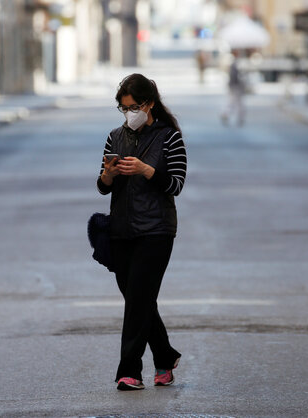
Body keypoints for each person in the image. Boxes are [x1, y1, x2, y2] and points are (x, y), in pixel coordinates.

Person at [97, 73, 187, 391]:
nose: (129, 114)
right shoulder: (115, 137)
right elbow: (102, 187)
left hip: (156, 230)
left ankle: (130, 371)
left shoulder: (169, 137)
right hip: (121, 230)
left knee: (137, 299)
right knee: (140, 299)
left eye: (133, 107)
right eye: (123, 109)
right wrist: (108, 174)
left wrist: (147, 170)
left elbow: (175, 184)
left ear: (148, 104)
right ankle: (164, 357)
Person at [220, 49, 246, 126]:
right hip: (235, 86)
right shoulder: (234, 64)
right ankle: (228, 114)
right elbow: (234, 76)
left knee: (234, 102)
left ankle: (228, 114)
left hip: (234, 86)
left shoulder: (235, 63)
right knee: (236, 102)